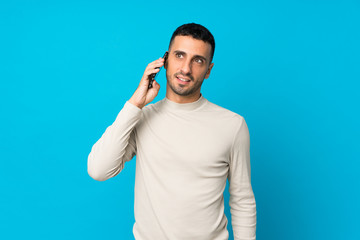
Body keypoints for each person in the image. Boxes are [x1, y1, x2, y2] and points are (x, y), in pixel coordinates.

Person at [87, 23, 257, 240]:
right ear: (164, 61)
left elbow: (242, 199)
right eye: (179, 55)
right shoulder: (142, 117)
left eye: (198, 60)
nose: (186, 68)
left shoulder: (232, 125)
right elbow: (98, 169)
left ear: (208, 70)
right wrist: (134, 104)